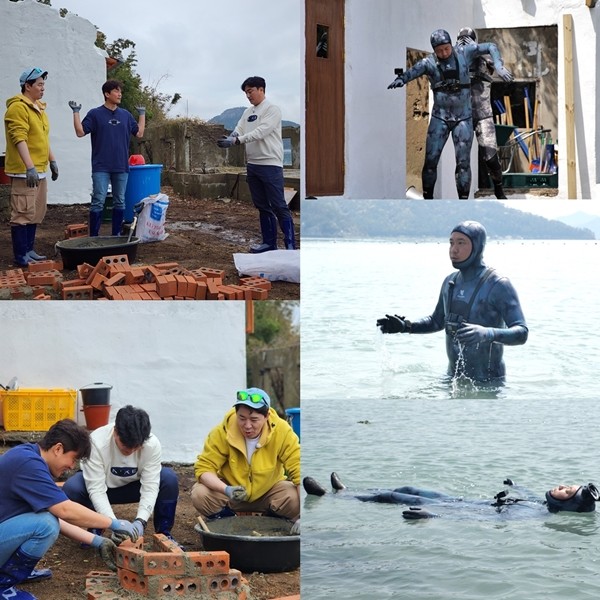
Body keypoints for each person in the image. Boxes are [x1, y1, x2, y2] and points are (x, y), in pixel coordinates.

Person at [0, 419, 140, 600]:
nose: (72, 466)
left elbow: (54, 516)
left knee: (45, 521)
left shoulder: (31, 458)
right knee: (46, 525)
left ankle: (15, 570)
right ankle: (4, 585)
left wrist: (98, 541)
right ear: (58, 449)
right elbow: (65, 511)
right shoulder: (28, 464)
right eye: (73, 458)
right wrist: (113, 523)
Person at [376, 221, 528, 383]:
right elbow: (436, 321)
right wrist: (406, 326)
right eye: (451, 243)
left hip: (488, 384)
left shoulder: (498, 284)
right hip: (452, 379)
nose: (453, 250)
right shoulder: (450, 282)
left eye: (461, 243)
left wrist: (487, 333)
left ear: (478, 246)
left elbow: (521, 333)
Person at [388, 29, 513, 199]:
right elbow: (414, 70)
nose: (444, 53)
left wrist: (498, 65)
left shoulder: (467, 53)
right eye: (439, 50)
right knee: (431, 160)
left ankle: (477, 195)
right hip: (441, 116)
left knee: (468, 162)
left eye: (446, 49)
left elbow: (491, 47)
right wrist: (402, 79)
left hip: (468, 116)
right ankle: (428, 199)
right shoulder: (430, 62)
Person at [62, 405, 180, 544]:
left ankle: (163, 534)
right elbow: (96, 489)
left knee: (168, 479)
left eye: (136, 447)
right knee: (72, 488)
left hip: (132, 487)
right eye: (125, 446)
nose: (131, 451)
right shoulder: (96, 443)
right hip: (101, 486)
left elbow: (150, 486)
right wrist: (113, 524)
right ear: (115, 432)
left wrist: (141, 521)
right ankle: (96, 526)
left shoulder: (152, 444)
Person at [191, 388, 300, 532]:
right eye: (241, 418)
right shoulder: (222, 431)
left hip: (268, 492)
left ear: (267, 415)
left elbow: (299, 469)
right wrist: (226, 489)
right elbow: (204, 469)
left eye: (254, 419)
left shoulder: (282, 431)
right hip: (232, 494)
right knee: (200, 493)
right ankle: (226, 522)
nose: (247, 425)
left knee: (293, 497)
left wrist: (304, 516)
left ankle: (270, 523)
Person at [217, 76, 296, 252]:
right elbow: (239, 129)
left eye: (251, 91)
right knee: (262, 205)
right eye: (246, 92)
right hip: (253, 165)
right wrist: (230, 137)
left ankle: (290, 244)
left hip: (271, 165)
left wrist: (236, 141)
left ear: (261, 89)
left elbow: (262, 131)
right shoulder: (248, 112)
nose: (248, 95)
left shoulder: (272, 110)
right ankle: (269, 243)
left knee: (279, 205)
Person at [304, 473, 600, 520]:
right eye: (566, 484)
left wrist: (433, 516)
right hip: (459, 498)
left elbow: (479, 520)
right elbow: (525, 495)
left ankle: (334, 498)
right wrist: (516, 484)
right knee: (409, 489)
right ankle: (348, 490)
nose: (560, 486)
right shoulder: (539, 504)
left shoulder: (535, 516)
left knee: (394, 497)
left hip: (456, 508)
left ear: (567, 504)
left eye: (566, 491)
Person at [68, 80, 145, 237]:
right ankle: (94, 237)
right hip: (101, 166)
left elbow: (139, 134)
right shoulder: (95, 114)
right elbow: (80, 132)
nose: (120, 94)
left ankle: (116, 234)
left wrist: (142, 115)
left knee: (120, 201)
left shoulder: (126, 115)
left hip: (121, 166)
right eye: (116, 91)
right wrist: (76, 112)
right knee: (98, 200)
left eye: (120, 91)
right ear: (107, 94)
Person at [4, 67, 59, 266]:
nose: (43, 88)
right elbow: (19, 138)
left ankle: (29, 249)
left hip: (40, 169)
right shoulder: (18, 108)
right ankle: (21, 256)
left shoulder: (39, 108)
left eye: (43, 84)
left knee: (35, 211)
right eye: (39, 85)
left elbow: (43, 139)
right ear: (27, 86)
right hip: (24, 171)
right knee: (22, 212)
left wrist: (51, 160)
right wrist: (29, 167)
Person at [456, 27, 507, 199]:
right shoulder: (455, 57)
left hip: (483, 114)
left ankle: (498, 187)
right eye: (461, 39)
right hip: (462, 116)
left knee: (490, 158)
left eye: (467, 39)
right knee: (462, 162)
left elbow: (495, 59)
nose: (464, 42)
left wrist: (495, 63)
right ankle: (462, 199)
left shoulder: (483, 56)